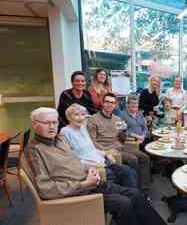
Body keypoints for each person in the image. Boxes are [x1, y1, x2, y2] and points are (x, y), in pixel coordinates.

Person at [25, 107, 166, 225]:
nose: (52, 126)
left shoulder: (59, 140)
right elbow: (46, 189)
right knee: (124, 203)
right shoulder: (35, 150)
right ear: (34, 124)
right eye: (46, 123)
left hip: (92, 182)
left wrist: (89, 169)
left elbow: (76, 160)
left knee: (135, 194)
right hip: (76, 193)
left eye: (54, 122)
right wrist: (83, 184)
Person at [60, 103, 137, 188]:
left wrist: (105, 153)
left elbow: (91, 150)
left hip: (102, 162)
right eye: (76, 115)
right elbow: (71, 158)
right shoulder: (65, 132)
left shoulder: (82, 129)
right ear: (68, 117)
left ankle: (139, 197)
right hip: (93, 167)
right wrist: (94, 165)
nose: (80, 118)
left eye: (82, 115)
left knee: (129, 171)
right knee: (121, 176)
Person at [87, 93, 151, 190]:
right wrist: (105, 151)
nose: (110, 104)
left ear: (115, 105)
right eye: (107, 102)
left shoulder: (116, 119)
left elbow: (122, 139)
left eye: (112, 103)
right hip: (107, 149)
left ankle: (144, 187)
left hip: (120, 146)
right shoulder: (93, 119)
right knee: (132, 159)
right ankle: (135, 189)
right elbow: (92, 141)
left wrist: (124, 131)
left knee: (144, 157)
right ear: (102, 103)